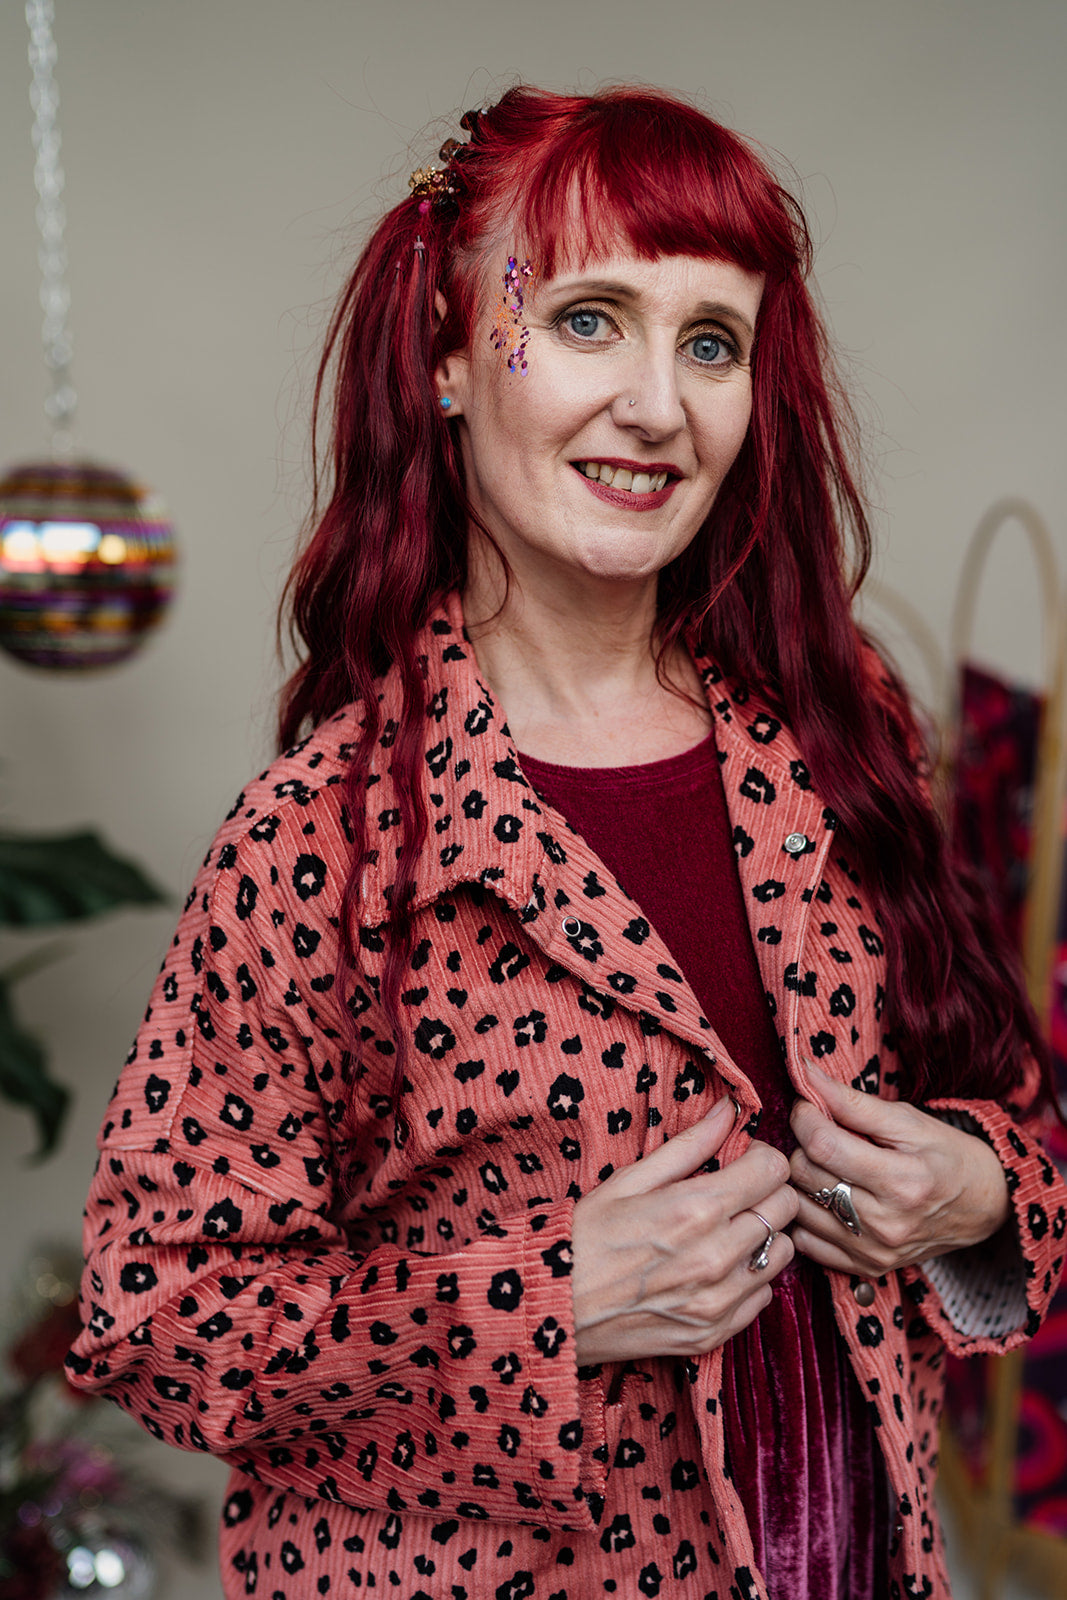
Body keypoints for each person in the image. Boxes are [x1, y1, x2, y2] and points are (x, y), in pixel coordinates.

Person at [67, 86, 1066, 1600]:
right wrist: (551, 1306)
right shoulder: (320, 837)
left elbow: (1016, 1123)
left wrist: (978, 1195)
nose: (659, 406)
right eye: (590, 320)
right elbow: (156, 1313)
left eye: (711, 342)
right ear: (449, 356)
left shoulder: (845, 739)